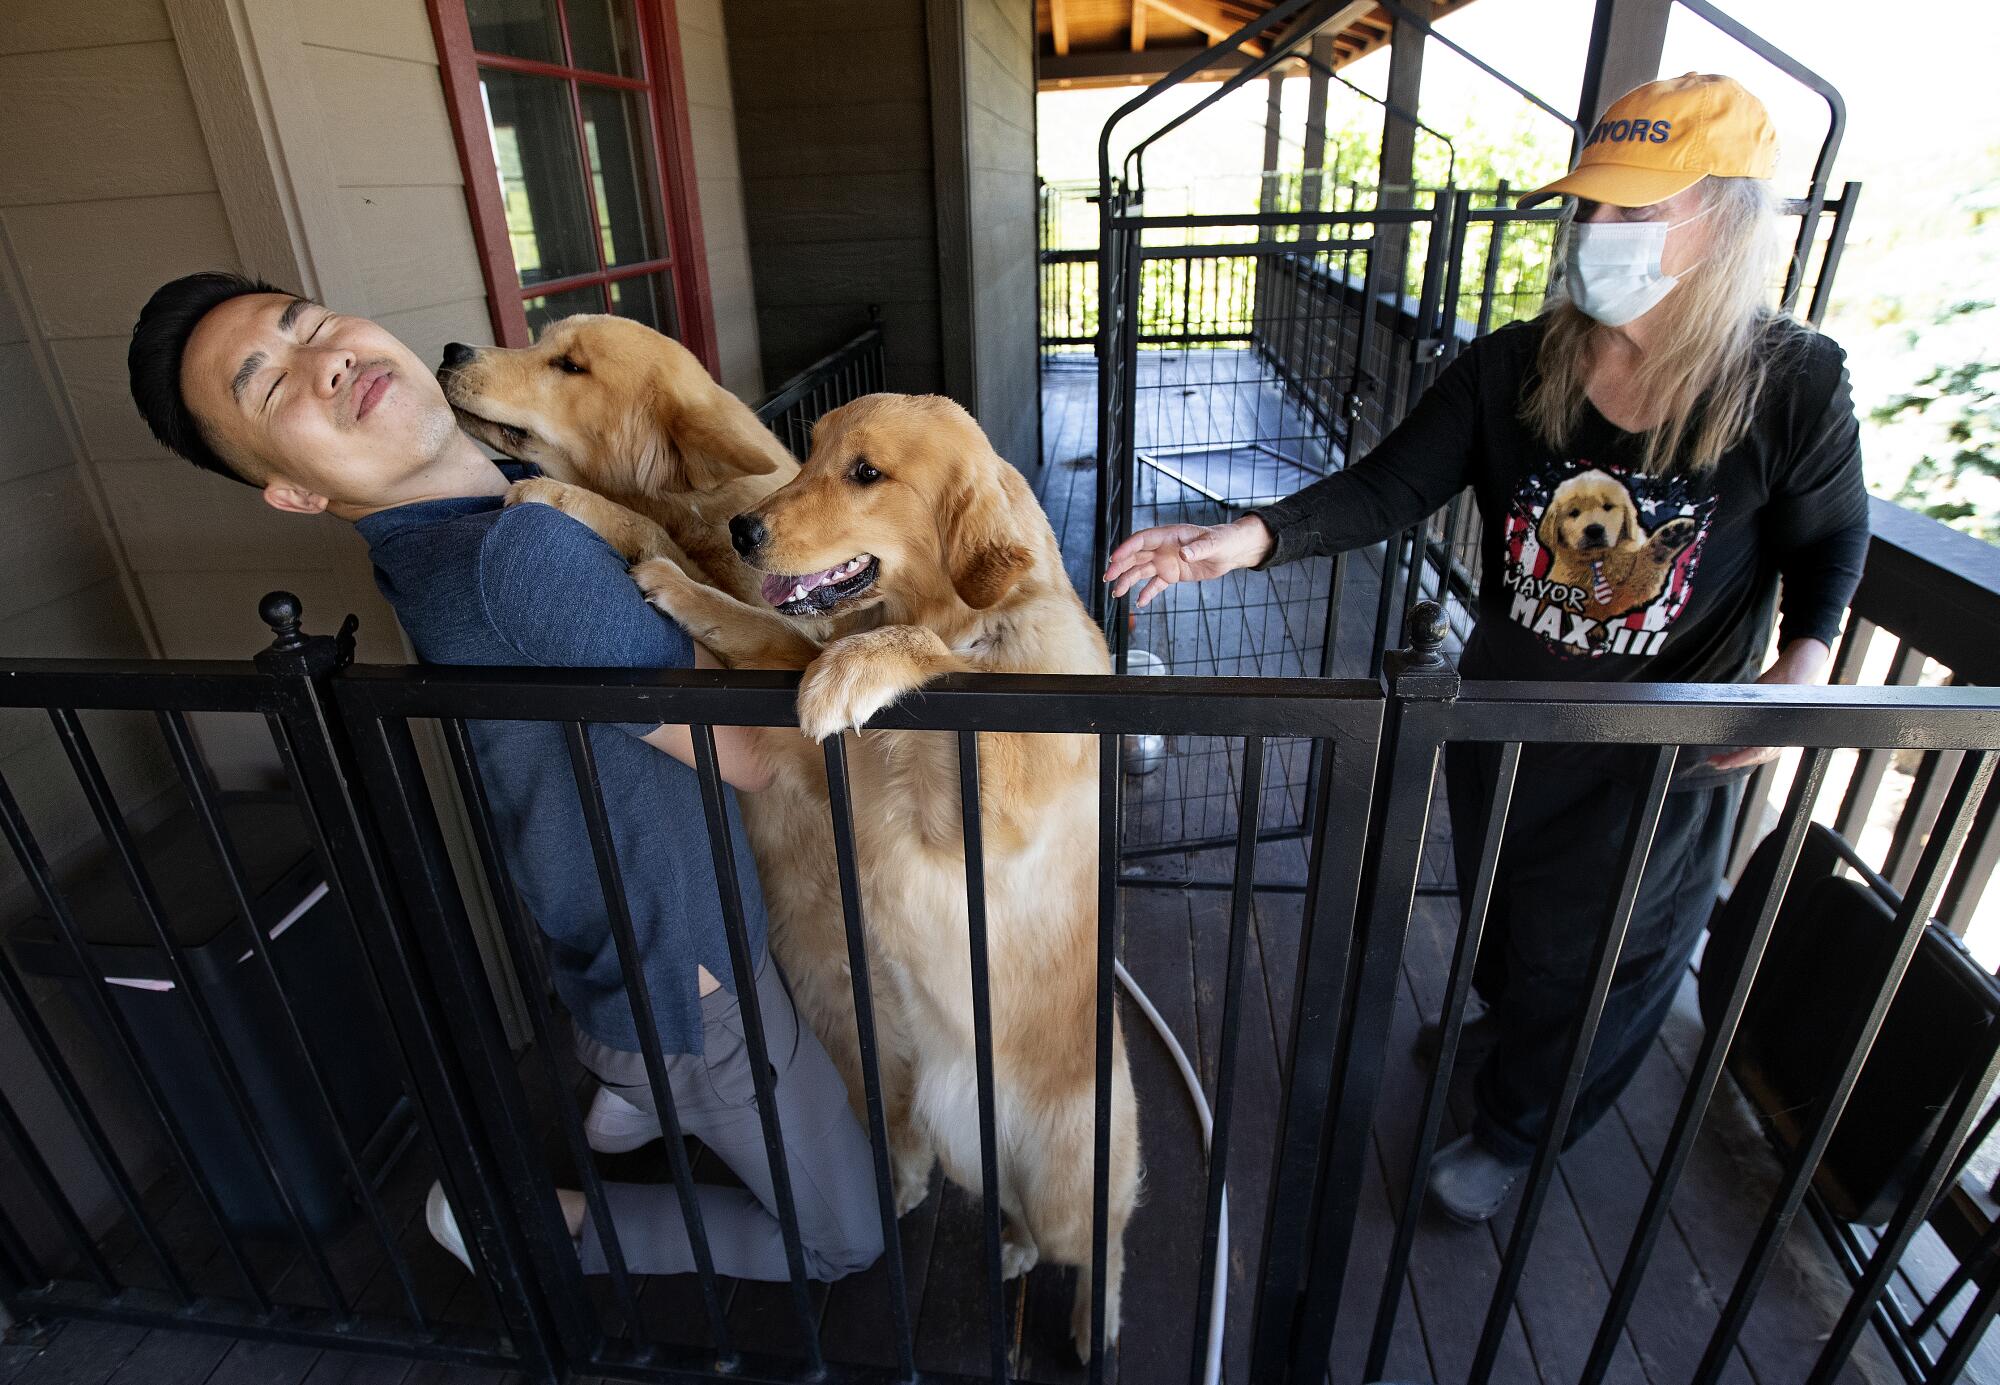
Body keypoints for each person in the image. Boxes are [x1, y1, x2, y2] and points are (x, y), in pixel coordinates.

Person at [1103, 74, 1870, 1222]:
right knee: (1508, 908)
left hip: (1654, 746)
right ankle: (1503, 1026)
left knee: (1602, 957)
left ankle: (1517, 1128)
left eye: (1633, 212)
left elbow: (1830, 539)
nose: (1595, 236)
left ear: (1722, 217)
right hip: (1504, 710)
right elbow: (1390, 483)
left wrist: (1803, 664)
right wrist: (1244, 540)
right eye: (1591, 210)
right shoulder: (1519, 364)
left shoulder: (1789, 383)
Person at [127, 273, 883, 1281]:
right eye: (272, 387)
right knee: (844, 1240)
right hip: (692, 983)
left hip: (621, 944)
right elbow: (754, 753)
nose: (328, 360)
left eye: (308, 324)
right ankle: (521, 1219)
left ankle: (630, 1091)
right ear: (295, 492)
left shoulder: (447, 526)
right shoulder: (519, 554)